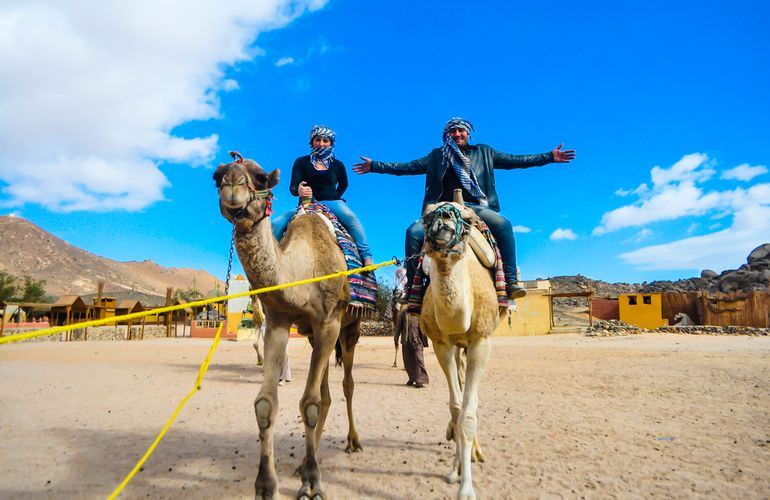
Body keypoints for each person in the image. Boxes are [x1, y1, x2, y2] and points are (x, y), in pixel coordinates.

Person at [354, 117, 575, 299]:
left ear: (468, 133)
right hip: (441, 208)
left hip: (474, 207)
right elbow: (405, 167)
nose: (457, 134)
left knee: (504, 225)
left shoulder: (485, 152)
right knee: (413, 232)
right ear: (446, 135)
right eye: (452, 132)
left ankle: (511, 281)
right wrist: (374, 166)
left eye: (461, 131)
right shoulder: (436, 156)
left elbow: (517, 160)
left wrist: (549, 157)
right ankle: (415, 288)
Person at [272, 125, 374, 266]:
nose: (321, 143)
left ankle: (366, 256)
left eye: (325, 140)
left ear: (331, 143)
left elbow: (344, 184)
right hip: (307, 203)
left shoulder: (338, 165)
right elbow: (293, 187)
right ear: (311, 142)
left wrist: (335, 197)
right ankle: (271, 262)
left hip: (333, 202)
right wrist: (299, 191)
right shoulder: (301, 162)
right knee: (276, 224)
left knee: (352, 218)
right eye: (318, 140)